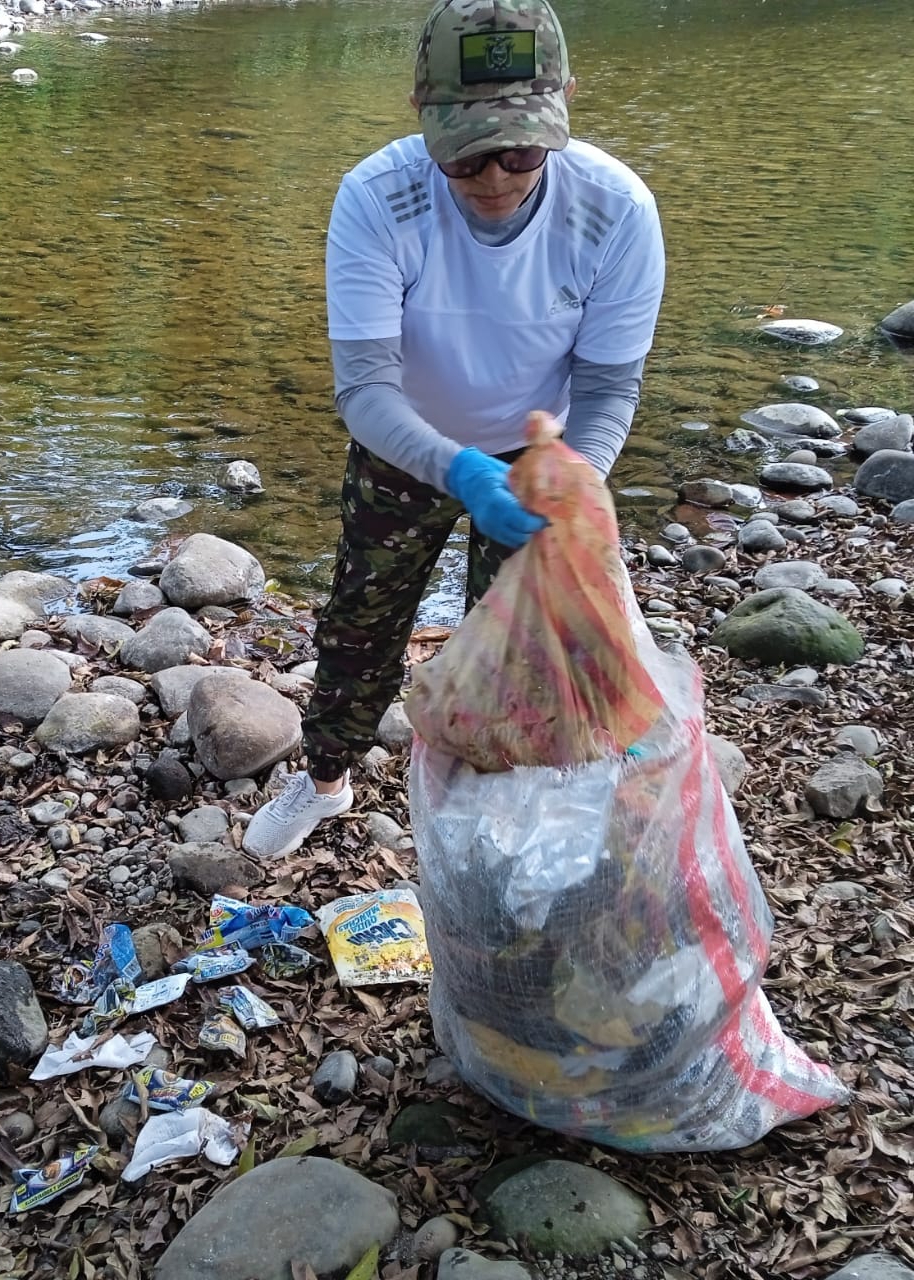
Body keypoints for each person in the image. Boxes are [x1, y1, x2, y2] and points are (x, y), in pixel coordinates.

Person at [243, 0, 666, 860]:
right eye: (467, 155)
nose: (497, 179)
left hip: (543, 460)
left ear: (566, 105)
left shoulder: (616, 209)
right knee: (359, 623)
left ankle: (493, 817)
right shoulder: (378, 198)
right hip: (406, 443)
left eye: (522, 151)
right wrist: (461, 468)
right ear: (421, 115)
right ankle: (325, 779)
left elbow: (608, 385)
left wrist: (577, 478)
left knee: (519, 653)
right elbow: (365, 389)